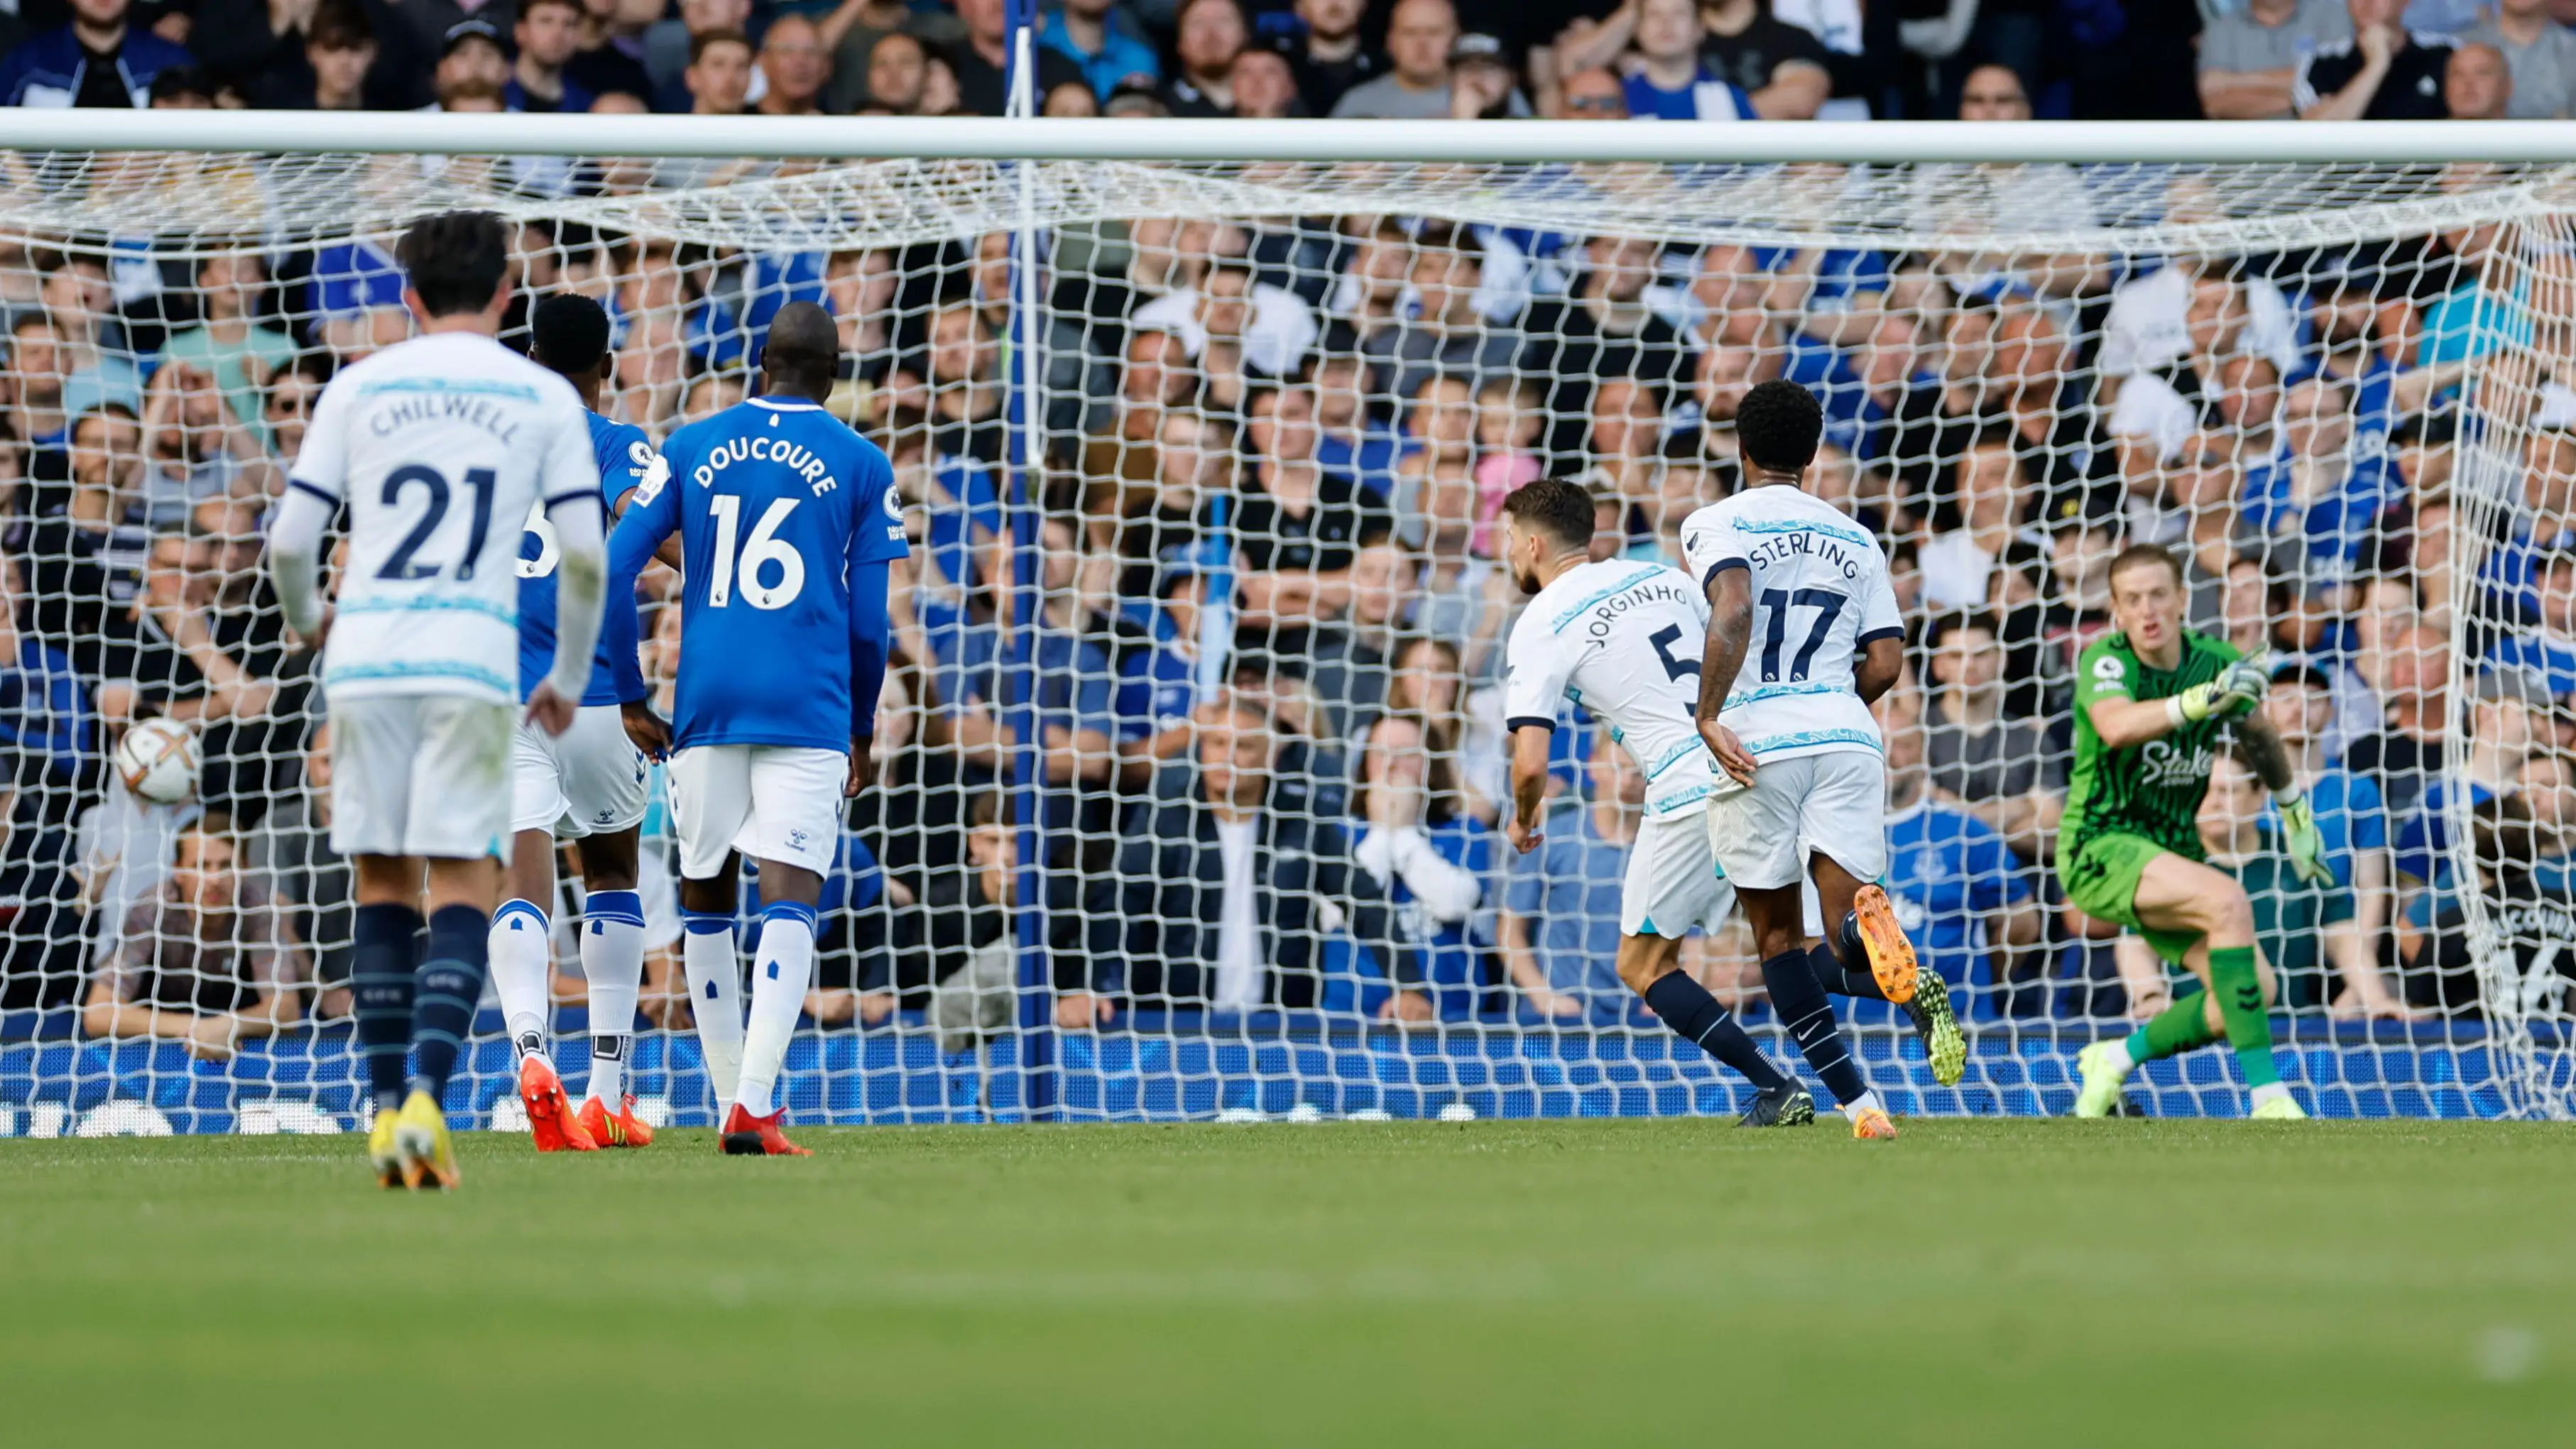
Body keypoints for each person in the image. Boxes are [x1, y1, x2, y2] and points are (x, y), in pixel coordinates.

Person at [266, 210, 610, 1189]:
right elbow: (585, 555)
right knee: (463, 882)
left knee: (382, 883)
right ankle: (426, 1096)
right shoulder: (542, 395)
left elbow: (291, 542)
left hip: (369, 654)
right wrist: (572, 675)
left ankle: (383, 1115)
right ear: (508, 297)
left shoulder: (358, 386)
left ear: (407, 297)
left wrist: (312, 620)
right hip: (472, 658)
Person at [606, 301, 906, 1157]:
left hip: (706, 699)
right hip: (807, 705)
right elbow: (869, 625)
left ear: (758, 364)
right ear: (835, 375)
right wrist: (859, 725)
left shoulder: (691, 446)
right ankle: (755, 1102)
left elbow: (618, 562)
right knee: (791, 893)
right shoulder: (861, 461)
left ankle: (729, 1094)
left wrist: (630, 693)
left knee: (704, 887)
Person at [1496, 475, 1815, 1124]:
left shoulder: (1539, 623)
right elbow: (1736, 647)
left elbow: (1531, 760)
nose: (1506, 552)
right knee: (1789, 941)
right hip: (1750, 758)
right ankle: (1897, 981)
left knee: (1642, 963)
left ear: (1531, 543)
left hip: (1682, 785)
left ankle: (1776, 1088)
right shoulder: (1666, 579)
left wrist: (1525, 816)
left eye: (1506, 539)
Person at [1684, 380, 1950, 1139]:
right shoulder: (1855, 536)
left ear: (1740, 449)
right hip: (1845, 733)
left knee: (1776, 940)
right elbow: (1889, 659)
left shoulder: (1717, 519)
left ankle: (1861, 1107)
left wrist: (1708, 715)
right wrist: (1832, 702)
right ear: (1811, 454)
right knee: (1839, 934)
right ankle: (1886, 953)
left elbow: (1732, 606)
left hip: (1756, 739)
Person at [2056, 545, 2332, 1120]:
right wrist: (2196, 701)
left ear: (2183, 599)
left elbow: (2258, 734)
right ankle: (2267, 1096)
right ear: (2117, 612)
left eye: (2159, 594)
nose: (2148, 610)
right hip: (2100, 844)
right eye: (2132, 600)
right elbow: (2116, 726)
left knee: (2253, 988)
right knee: (2228, 898)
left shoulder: (2215, 660)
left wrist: (2294, 813)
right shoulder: (2106, 662)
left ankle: (2115, 1057)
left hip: (2169, 847)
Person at [484, 295, 668, 1154]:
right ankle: (604, 1093)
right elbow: (647, 536)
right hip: (594, 686)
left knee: (523, 866)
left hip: (502, 685)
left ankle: (528, 1052)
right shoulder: (614, 441)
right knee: (611, 868)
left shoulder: (490, 442)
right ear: (608, 367)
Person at [2296, 0, 2460, 119]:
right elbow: (2318, 136)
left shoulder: (2446, 53)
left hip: (2432, 166)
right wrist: (2376, 65)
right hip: (2349, 167)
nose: (2367, 2)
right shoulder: (2321, 62)